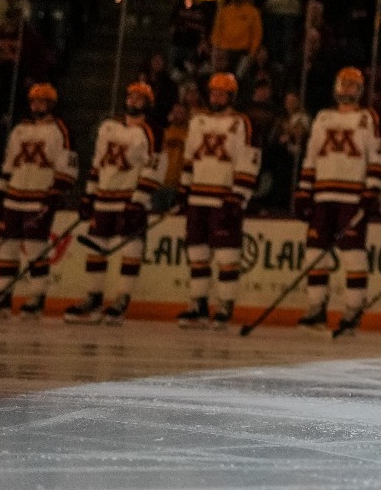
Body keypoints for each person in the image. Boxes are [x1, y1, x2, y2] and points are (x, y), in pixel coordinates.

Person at [292, 68, 381, 333]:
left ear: (361, 90)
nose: (348, 89)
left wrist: (372, 190)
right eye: (344, 84)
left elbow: (376, 157)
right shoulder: (322, 117)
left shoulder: (368, 118)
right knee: (314, 253)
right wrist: (303, 191)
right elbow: (311, 157)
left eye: (353, 86)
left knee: (354, 255)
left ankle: (353, 310)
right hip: (323, 195)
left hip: (352, 196)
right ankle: (316, 308)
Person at [64, 82, 164, 325]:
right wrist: (89, 193)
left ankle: (122, 299)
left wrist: (139, 200)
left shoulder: (152, 131)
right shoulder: (108, 126)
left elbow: (156, 168)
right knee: (95, 247)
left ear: (148, 103)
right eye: (131, 97)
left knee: (130, 249)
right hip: (104, 197)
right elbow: (98, 161)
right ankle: (94, 298)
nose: (133, 102)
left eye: (139, 98)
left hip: (129, 199)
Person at [176, 73, 259, 330]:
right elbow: (189, 158)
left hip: (224, 197)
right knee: (197, 253)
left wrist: (238, 195)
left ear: (231, 96)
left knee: (227, 255)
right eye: (213, 93)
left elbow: (250, 160)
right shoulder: (197, 121)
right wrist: (183, 188)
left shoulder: (242, 122)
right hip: (198, 196)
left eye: (222, 93)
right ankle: (199, 304)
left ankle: (225, 304)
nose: (216, 97)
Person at [0, 85, 76, 317]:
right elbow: (9, 164)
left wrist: (56, 194)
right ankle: (4, 295)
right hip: (14, 195)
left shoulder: (60, 130)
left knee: (36, 247)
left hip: (39, 196)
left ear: (51, 104)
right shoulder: (20, 130)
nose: (36, 105)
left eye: (41, 101)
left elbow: (67, 166)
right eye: (34, 101)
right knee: (7, 246)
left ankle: (37, 296)